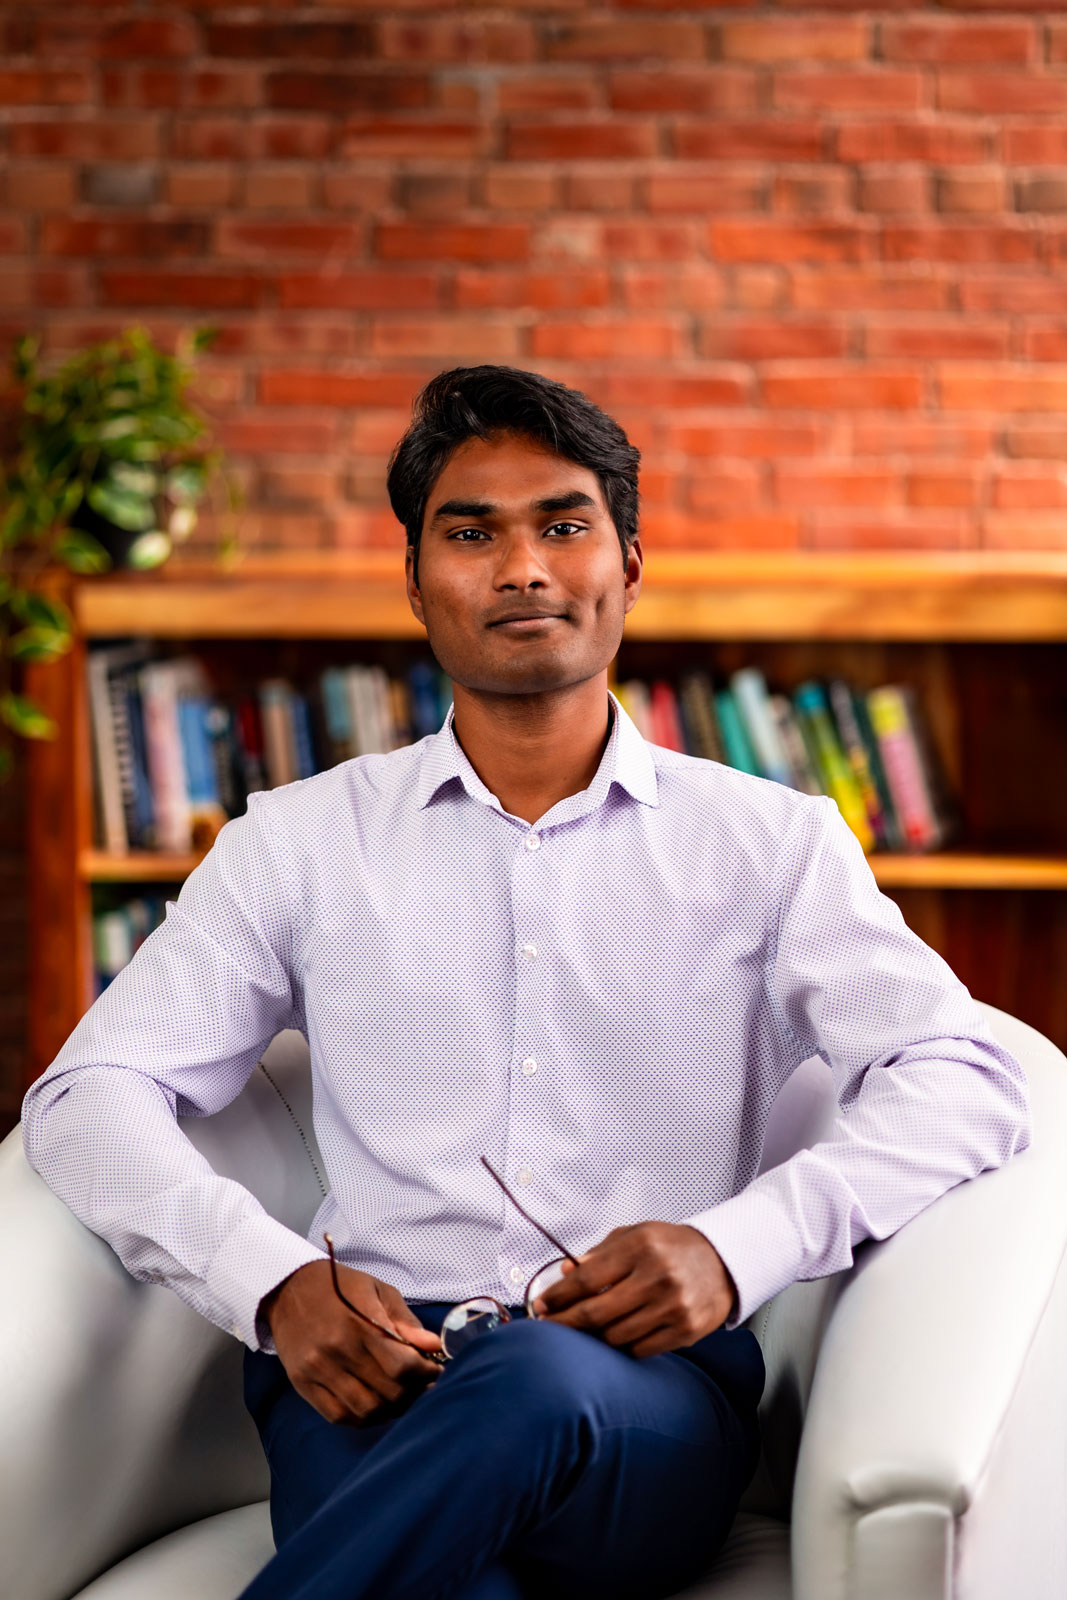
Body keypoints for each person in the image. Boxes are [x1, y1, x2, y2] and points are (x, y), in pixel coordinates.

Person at [22, 365, 1031, 1600]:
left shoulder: (770, 845)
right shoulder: (296, 842)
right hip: (363, 1378)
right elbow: (88, 1096)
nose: (522, 568)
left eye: (562, 524)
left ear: (627, 565)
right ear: (414, 581)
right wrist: (271, 1279)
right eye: (470, 532)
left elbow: (968, 1075)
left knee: (533, 1384)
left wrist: (736, 1243)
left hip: (637, 1395)